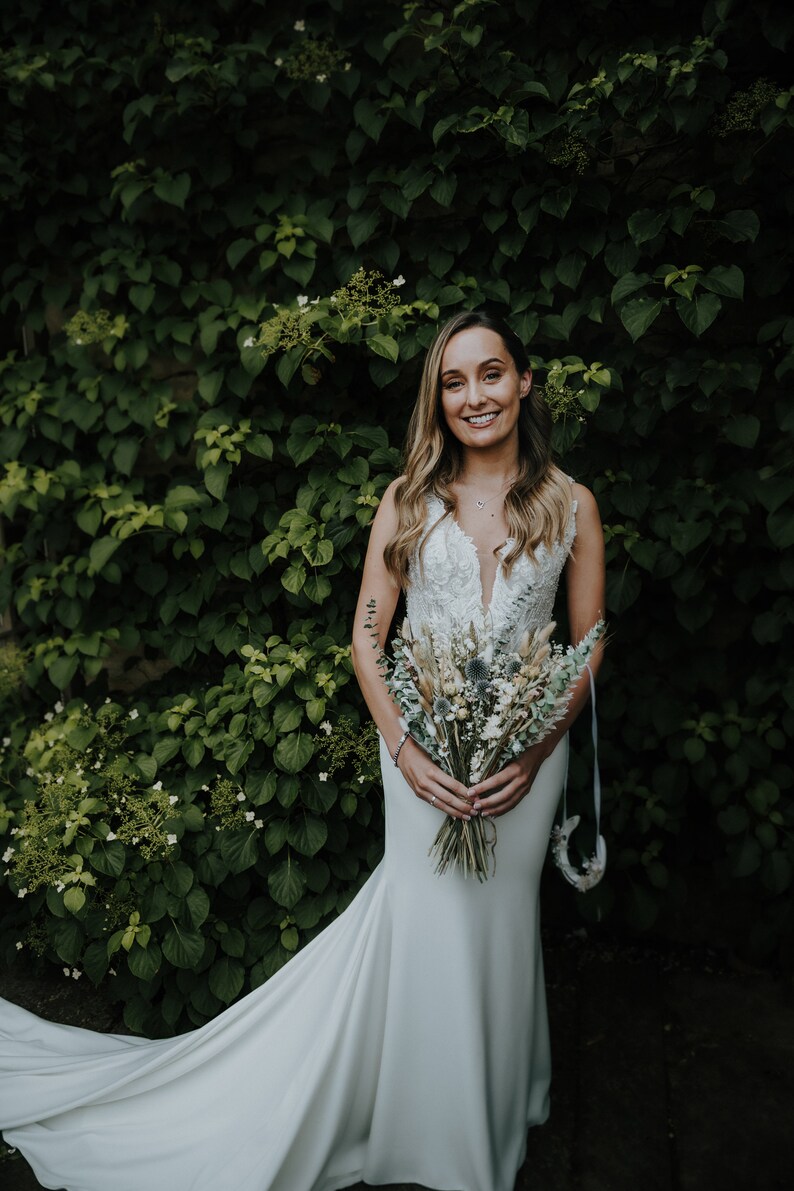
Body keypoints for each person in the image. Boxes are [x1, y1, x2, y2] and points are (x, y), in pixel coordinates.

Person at [0, 310, 605, 1191]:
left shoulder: (572, 503)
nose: (475, 395)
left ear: (522, 383)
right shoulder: (406, 499)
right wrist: (402, 749)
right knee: (433, 925)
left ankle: (499, 1097)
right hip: (421, 756)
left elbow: (586, 646)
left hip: (526, 764)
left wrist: (537, 744)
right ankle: (430, 1131)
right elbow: (368, 637)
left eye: (492, 373)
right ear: (436, 399)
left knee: (503, 929)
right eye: (454, 380)